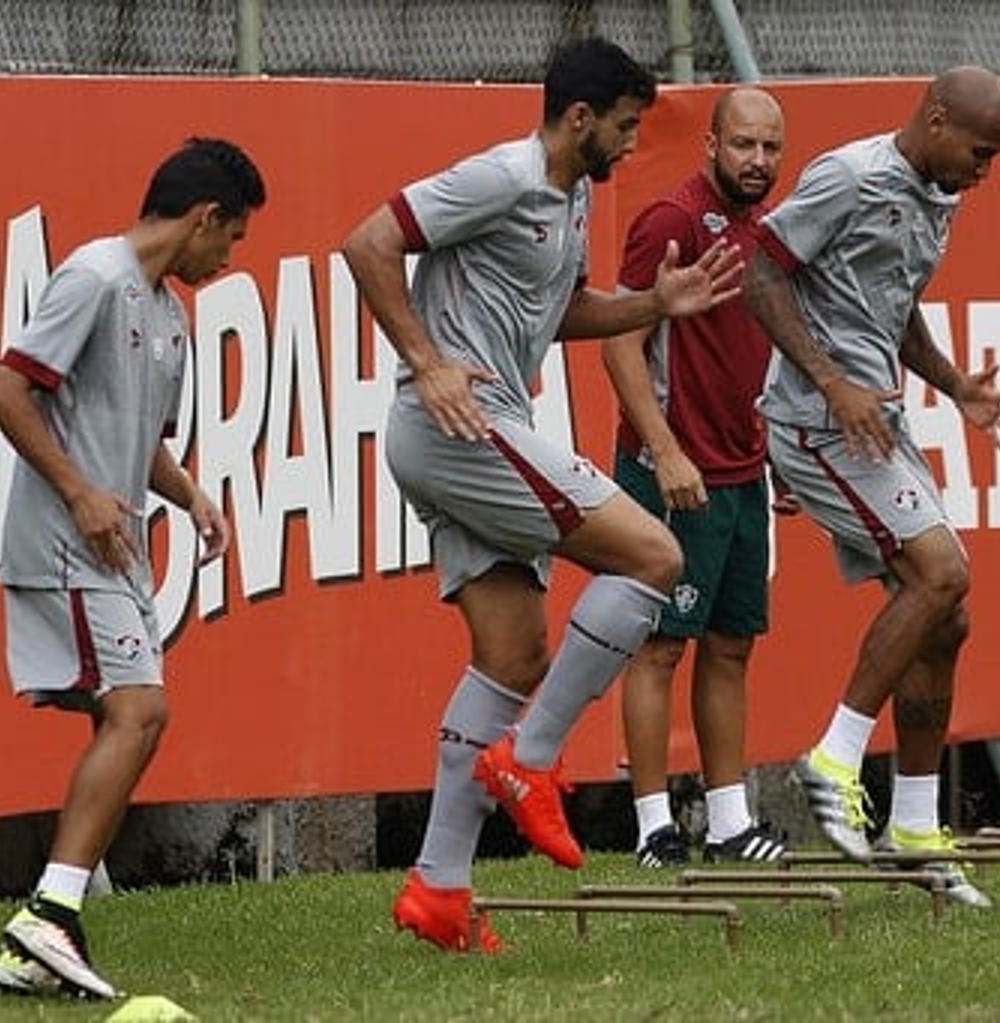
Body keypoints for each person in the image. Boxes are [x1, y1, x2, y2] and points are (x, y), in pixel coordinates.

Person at [342, 37, 743, 953]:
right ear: (579, 119)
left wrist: (654, 304)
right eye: (626, 127)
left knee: (512, 654)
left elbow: (562, 314)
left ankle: (439, 892)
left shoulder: (569, 198)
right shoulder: (503, 176)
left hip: (476, 430)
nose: (632, 144)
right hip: (460, 426)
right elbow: (369, 241)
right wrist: (429, 362)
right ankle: (530, 761)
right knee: (655, 555)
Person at [0, 138, 262, 999]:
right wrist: (77, 494)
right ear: (205, 217)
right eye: (235, 238)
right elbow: (5, 391)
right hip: (71, 543)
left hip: (115, 551)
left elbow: (138, 443)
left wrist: (191, 496)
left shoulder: (169, 314)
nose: (230, 257)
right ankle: (48, 914)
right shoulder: (96, 277)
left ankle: (36, 943)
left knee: (134, 717)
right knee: (140, 712)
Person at [742, 66, 1000, 907]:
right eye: (979, 152)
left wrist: (952, 382)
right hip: (816, 420)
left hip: (879, 420)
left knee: (949, 615)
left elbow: (888, 300)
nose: (984, 172)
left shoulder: (937, 194)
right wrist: (831, 382)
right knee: (943, 573)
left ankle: (911, 824)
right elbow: (762, 274)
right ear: (936, 121)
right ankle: (834, 754)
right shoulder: (852, 175)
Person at [603, 87, 791, 867]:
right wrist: (666, 449)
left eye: (771, 148)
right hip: (674, 473)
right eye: (743, 145)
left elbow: (758, 351)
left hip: (743, 470)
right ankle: (651, 826)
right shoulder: (671, 220)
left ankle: (728, 821)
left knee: (732, 644)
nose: (757, 162)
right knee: (658, 647)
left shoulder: (767, 231)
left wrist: (779, 452)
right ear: (710, 144)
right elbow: (620, 342)